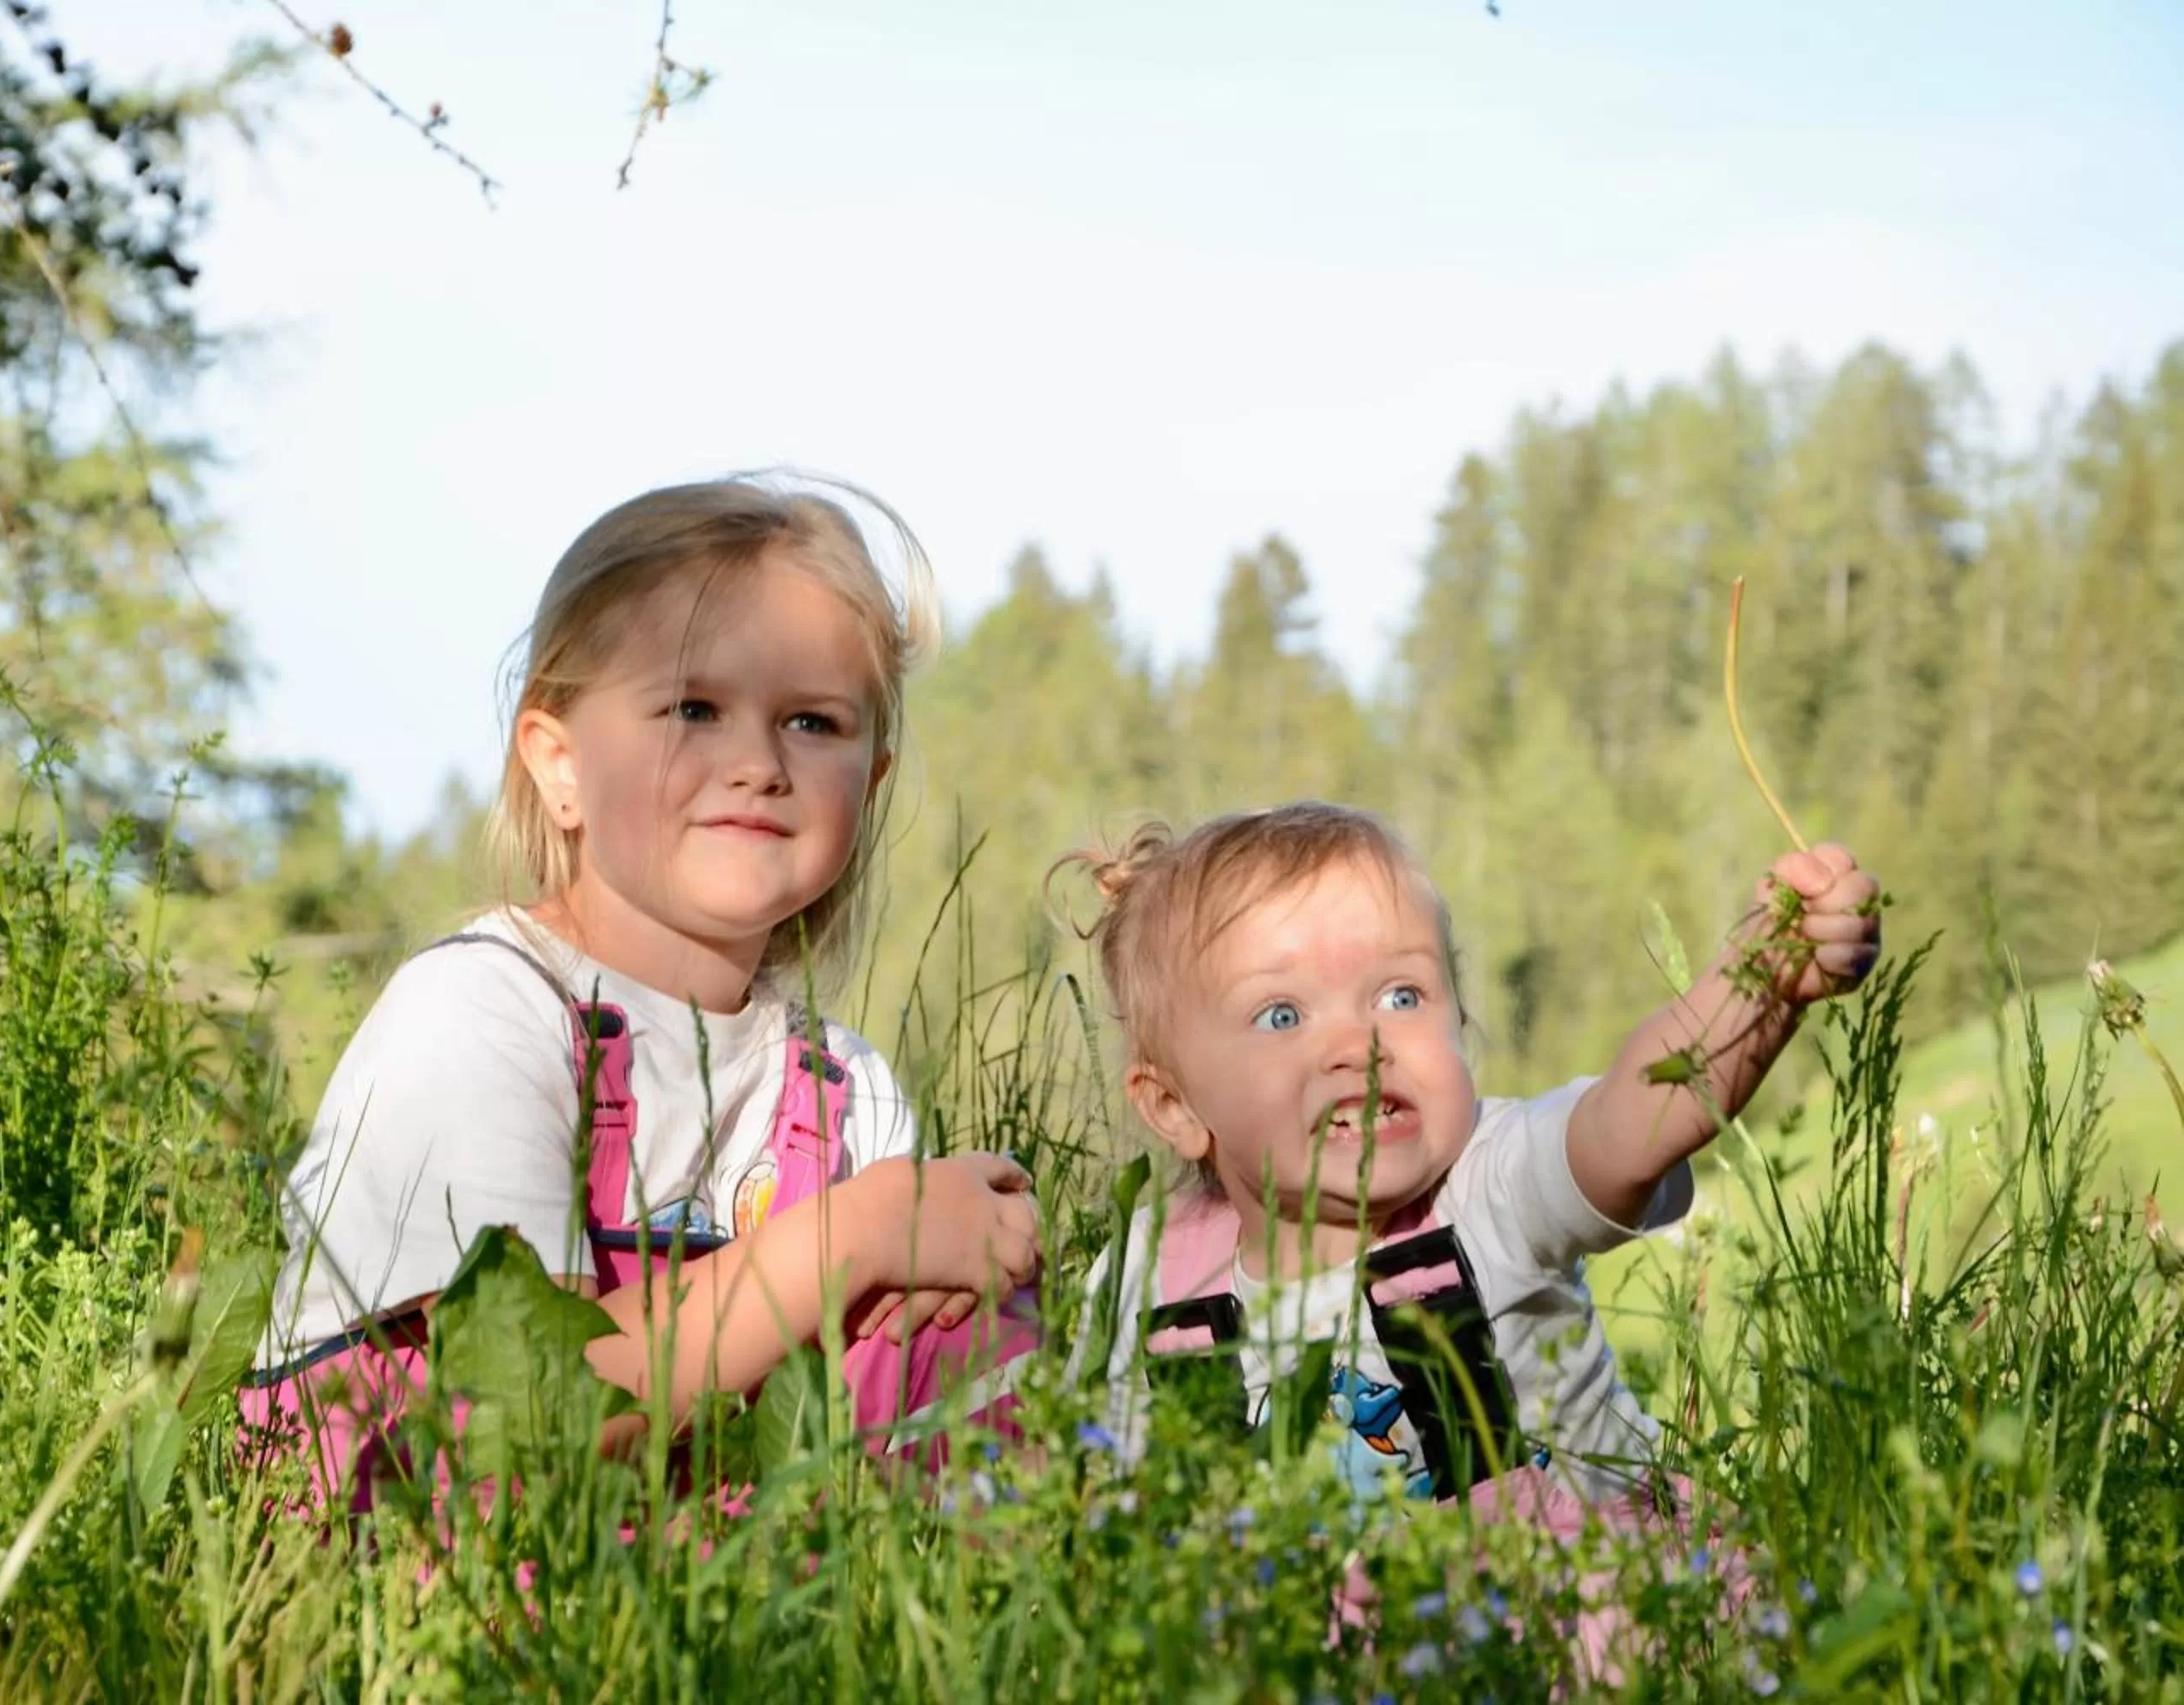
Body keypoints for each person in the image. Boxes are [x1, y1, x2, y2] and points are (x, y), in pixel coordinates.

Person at [243, 477, 1041, 1515]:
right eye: (693, 709)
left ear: (870, 780)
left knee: (971, 1335)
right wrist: (862, 1233)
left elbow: (888, 1350)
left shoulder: (848, 1085)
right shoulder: (482, 1009)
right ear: (559, 765)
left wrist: (972, 1248)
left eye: (811, 720)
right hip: (428, 1536)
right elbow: (520, 1410)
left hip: (701, 1527)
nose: (757, 762)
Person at [1066, 800, 1879, 1508]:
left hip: (1581, 1608)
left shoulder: (1490, 1185)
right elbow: (1099, 1497)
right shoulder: (1152, 1279)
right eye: (1281, 1015)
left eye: (1401, 996)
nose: (1360, 1042)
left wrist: (1760, 983)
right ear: (1175, 1107)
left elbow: (1630, 1128)